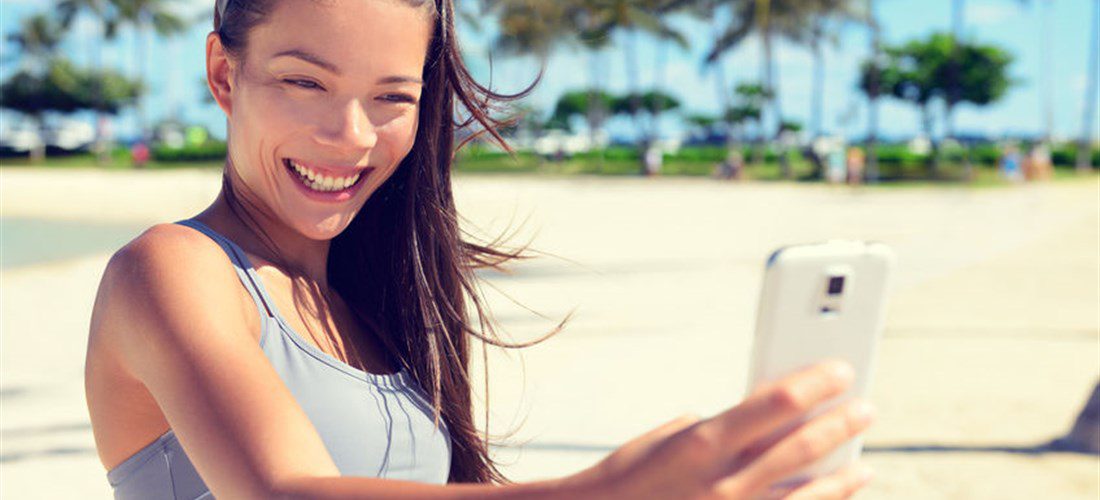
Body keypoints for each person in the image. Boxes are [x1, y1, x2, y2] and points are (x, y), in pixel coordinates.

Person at [84, 1, 877, 498]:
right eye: (305, 83)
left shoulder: (373, 306)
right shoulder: (172, 270)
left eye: (392, 97)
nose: (351, 136)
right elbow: (288, 493)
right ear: (225, 74)